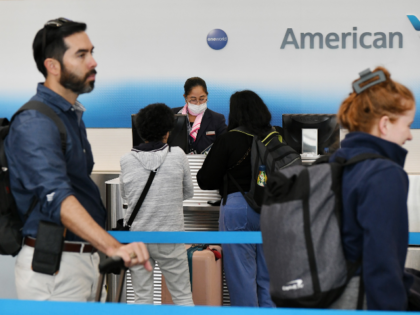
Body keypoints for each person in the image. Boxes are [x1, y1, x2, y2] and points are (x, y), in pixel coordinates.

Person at [5, 18, 152, 301]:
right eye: (81, 55)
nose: (93, 62)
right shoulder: (35, 121)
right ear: (53, 65)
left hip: (82, 261)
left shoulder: (69, 116)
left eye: (92, 52)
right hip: (55, 271)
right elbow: (57, 198)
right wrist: (113, 246)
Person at [328, 67, 416, 310]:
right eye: (408, 124)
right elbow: (382, 261)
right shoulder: (384, 173)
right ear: (385, 124)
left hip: (327, 297)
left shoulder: (335, 163)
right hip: (364, 301)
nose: (409, 135)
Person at [196, 90, 275, 307]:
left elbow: (206, 180)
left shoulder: (229, 139)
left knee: (242, 277)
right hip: (273, 210)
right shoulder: (275, 137)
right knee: (270, 278)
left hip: (238, 209)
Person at [120, 103, 194, 305]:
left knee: (142, 298)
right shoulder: (178, 155)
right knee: (182, 296)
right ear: (168, 131)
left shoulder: (126, 159)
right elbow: (188, 192)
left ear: (141, 131)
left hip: (138, 238)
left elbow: (125, 196)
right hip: (170, 235)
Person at [172, 77, 227, 154]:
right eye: (193, 99)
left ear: (207, 95)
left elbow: (224, 147)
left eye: (202, 99)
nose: (198, 103)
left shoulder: (217, 119)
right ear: (185, 97)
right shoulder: (171, 115)